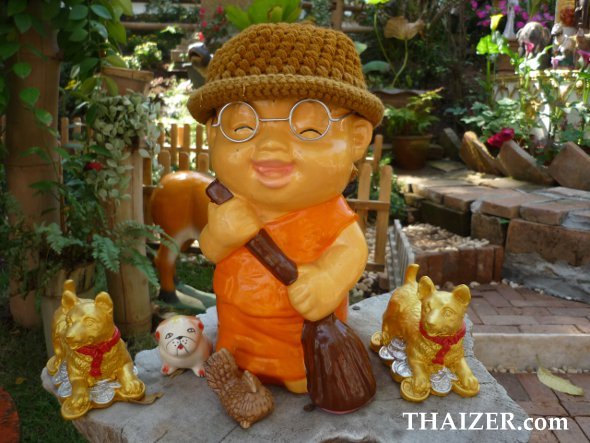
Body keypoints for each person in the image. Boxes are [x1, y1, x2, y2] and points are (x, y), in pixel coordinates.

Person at [187, 23, 383, 393]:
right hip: (236, 330)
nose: (271, 148)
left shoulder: (330, 213)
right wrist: (221, 234)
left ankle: (298, 371)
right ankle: (236, 362)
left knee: (298, 369)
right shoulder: (229, 202)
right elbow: (212, 249)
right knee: (233, 359)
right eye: (242, 128)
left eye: (309, 130)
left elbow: (351, 249)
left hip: (300, 340)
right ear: (214, 134)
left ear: (357, 140)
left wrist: (328, 278)